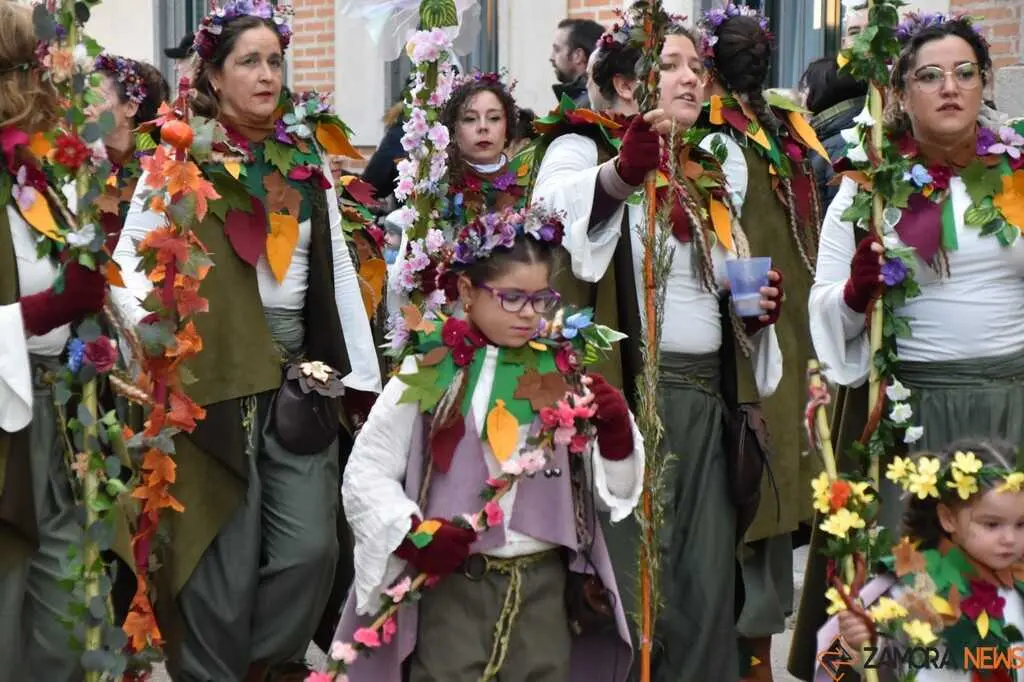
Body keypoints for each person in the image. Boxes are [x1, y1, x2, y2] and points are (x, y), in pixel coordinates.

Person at [110, 2, 382, 679]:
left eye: (275, 61)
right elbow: (129, 264)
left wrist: (361, 380)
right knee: (220, 558)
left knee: (311, 550)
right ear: (214, 74)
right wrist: (153, 344)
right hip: (210, 375)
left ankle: (264, 665)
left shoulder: (305, 155)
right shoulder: (179, 154)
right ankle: (214, 670)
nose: (266, 75)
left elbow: (335, 268)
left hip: (298, 378)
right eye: (249, 61)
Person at [535, 20, 785, 682]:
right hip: (620, 403)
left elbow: (730, 279)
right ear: (626, 84)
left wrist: (757, 312)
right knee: (629, 584)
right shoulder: (578, 144)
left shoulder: (713, 162)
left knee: (704, 584)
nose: (692, 78)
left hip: (705, 402)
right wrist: (621, 173)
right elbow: (552, 212)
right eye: (671, 65)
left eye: (696, 66)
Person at [792, 14, 1024, 680]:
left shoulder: (1017, 174)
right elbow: (823, 307)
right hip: (910, 421)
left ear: (984, 83)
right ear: (900, 92)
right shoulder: (867, 185)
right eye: (930, 75)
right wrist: (856, 292)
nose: (950, 87)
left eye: (965, 72)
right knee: (903, 595)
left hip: (1011, 410)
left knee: (1004, 593)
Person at [335, 205, 644, 682]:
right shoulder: (430, 372)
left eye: (541, 299)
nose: (530, 313)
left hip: (544, 592)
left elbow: (612, 494)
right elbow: (367, 472)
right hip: (454, 589)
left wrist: (617, 435)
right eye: (512, 298)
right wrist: (412, 534)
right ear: (466, 292)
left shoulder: (563, 374)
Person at [697, 9, 826, 679]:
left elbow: (732, 262)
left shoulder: (724, 143)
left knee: (747, 504)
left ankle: (752, 663)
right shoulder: (784, 132)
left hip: (752, 351)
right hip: (789, 343)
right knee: (765, 510)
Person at [0, 3, 109, 680]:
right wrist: (42, 313)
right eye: (20, 72)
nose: (33, 89)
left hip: (60, 411)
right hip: (5, 425)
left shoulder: (37, 172)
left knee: (66, 609)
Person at [818, 439, 1024, 682]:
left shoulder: (1018, 585)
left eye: (1021, 524)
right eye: (992, 524)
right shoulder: (912, 586)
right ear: (948, 518)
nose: (1010, 539)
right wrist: (858, 644)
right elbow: (833, 665)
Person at [91, 54, 169, 247]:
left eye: (97, 98)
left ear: (130, 107)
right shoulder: (74, 162)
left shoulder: (162, 166)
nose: (86, 108)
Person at [800, 56, 867, 206]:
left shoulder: (837, 145)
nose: (801, 97)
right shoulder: (851, 131)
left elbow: (839, 213)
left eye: (805, 88)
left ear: (821, 91)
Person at [551, 18, 605, 108]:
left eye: (557, 50)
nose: (551, 57)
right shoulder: (594, 101)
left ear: (578, 55)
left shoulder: (584, 108)